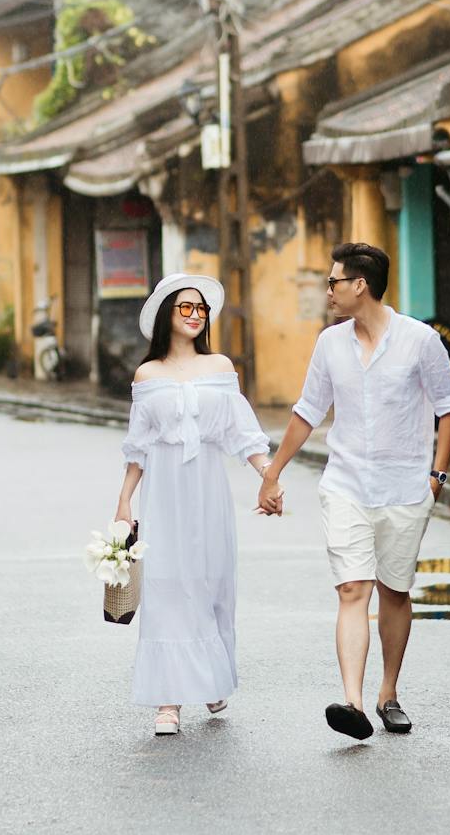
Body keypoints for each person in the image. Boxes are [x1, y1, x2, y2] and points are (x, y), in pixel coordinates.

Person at [260, 242, 450, 741]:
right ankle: (352, 702)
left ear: (360, 286)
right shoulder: (330, 343)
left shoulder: (420, 341)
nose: (327, 291)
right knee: (353, 590)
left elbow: (449, 406)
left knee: (394, 592)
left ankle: (387, 694)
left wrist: (436, 478)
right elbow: (308, 410)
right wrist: (273, 471)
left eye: (334, 282)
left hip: (405, 486)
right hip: (346, 484)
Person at [114, 273, 273, 738]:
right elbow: (137, 447)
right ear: (167, 314)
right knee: (165, 585)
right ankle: (168, 701)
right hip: (163, 492)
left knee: (210, 582)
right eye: (185, 307)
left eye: (201, 309)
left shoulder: (220, 366)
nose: (195, 315)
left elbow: (242, 433)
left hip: (207, 489)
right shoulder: (148, 375)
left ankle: (210, 675)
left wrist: (269, 476)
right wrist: (124, 500)